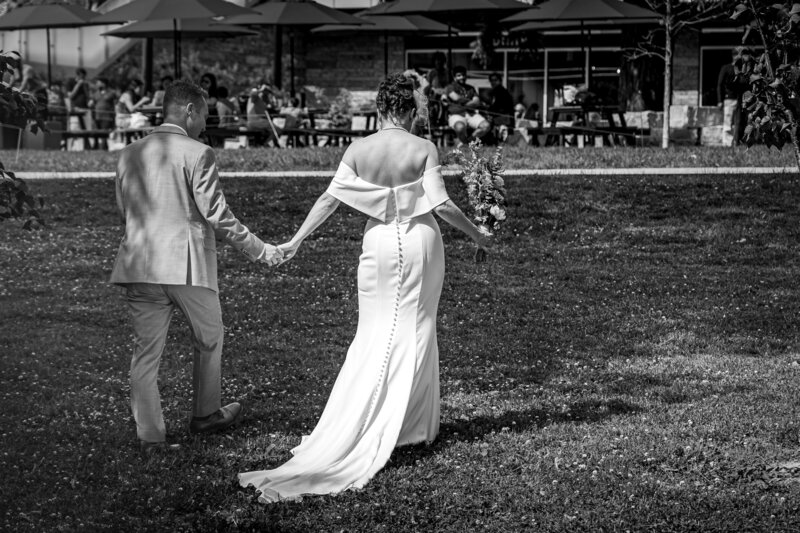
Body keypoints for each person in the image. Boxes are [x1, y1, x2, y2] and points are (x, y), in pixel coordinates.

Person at [238, 73, 492, 503]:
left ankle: (368, 419)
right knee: (417, 325)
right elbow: (442, 204)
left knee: (374, 330)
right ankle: (411, 425)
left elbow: (329, 200)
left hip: (377, 245)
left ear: (379, 109)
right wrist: (479, 236)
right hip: (419, 243)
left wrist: (295, 241)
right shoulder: (424, 148)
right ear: (409, 111)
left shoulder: (358, 149)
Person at [110, 80, 284, 454]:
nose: (206, 122)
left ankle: (151, 437)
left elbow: (125, 213)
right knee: (209, 339)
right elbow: (217, 215)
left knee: (145, 354)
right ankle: (205, 415)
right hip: (186, 266)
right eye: (204, 113)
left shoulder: (127, 154)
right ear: (189, 110)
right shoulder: (198, 152)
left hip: (139, 264)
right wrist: (260, 249)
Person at [444, 65, 491, 146]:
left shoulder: (471, 88)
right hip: (456, 114)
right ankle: (466, 144)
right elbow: (455, 98)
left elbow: (477, 102)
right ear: (454, 77)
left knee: (486, 126)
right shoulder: (450, 87)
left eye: (463, 75)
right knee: (459, 127)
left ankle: (467, 142)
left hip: (471, 114)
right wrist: (471, 102)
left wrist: (463, 103)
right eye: (459, 75)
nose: (462, 77)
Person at [717, 47, 752, 146]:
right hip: (729, 99)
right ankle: (727, 143)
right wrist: (720, 100)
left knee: (739, 122)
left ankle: (736, 141)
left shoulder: (742, 69)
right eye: (738, 54)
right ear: (734, 55)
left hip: (740, 99)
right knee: (728, 122)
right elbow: (719, 84)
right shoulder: (726, 68)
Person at [484, 72, 514, 140]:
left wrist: (489, 111)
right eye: (491, 80)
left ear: (500, 81)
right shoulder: (494, 91)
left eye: (495, 80)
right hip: (499, 118)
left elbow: (500, 107)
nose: (493, 82)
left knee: (502, 138)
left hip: (503, 119)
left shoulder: (502, 92)